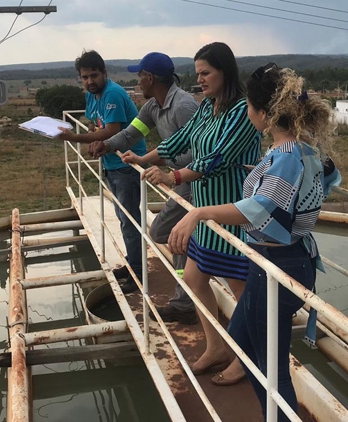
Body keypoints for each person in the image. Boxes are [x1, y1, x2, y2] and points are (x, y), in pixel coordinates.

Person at [167, 64, 341, 420]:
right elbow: (329, 177)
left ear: (263, 113)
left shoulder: (286, 155)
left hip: (277, 265)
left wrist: (200, 213)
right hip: (287, 260)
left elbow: (260, 208)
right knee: (243, 341)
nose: (247, 113)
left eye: (249, 106)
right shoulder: (304, 151)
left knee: (268, 367)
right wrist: (264, 175)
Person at [122, 42, 261, 374]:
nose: (200, 79)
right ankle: (216, 347)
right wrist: (144, 159)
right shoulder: (207, 106)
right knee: (195, 280)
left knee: (242, 292)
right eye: (197, 73)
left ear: (224, 72)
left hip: (232, 215)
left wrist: (174, 176)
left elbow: (217, 158)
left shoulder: (241, 110)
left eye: (206, 73)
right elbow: (180, 139)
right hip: (206, 212)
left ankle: (247, 358)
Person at [88, 52, 199, 324]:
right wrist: (109, 145)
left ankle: (187, 298)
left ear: (150, 77)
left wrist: (167, 171)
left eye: (140, 75)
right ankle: (187, 293)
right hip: (179, 180)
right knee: (170, 235)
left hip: (195, 181)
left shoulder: (183, 106)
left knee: (169, 233)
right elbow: (132, 133)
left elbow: (199, 151)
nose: (138, 80)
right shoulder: (152, 107)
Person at [56, 50, 147, 285]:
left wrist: (73, 138)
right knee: (123, 217)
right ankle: (132, 264)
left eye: (94, 75)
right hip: (111, 163)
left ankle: (136, 271)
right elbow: (97, 125)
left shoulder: (112, 94)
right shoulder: (92, 95)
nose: (89, 81)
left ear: (104, 73)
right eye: (84, 77)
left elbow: (112, 130)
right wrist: (93, 137)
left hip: (127, 162)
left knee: (129, 219)